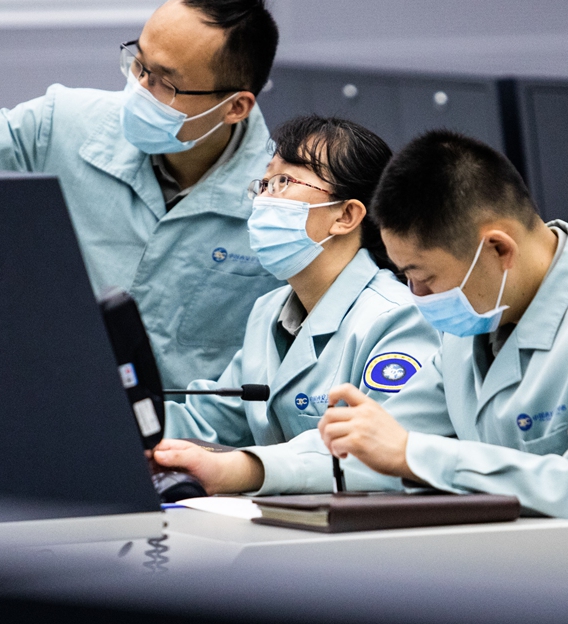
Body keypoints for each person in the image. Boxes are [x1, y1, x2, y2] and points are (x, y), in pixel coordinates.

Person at [160, 130, 568, 589]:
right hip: (550, 592)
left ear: (497, 249)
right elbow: (377, 442)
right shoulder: (478, 311)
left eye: (424, 277)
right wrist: (240, 469)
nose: (416, 296)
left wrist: (413, 453)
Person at [0, 0, 282, 389]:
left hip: (194, 437)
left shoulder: (286, 207)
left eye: (165, 83)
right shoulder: (64, 124)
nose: (139, 89)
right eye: (139, 64)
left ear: (236, 106)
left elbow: (295, 364)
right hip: (57, 406)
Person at [153, 117, 440, 489]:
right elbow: (211, 423)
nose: (263, 200)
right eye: (264, 184)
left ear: (346, 215)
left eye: (284, 182)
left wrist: (245, 469)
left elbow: (384, 452)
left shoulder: (399, 317)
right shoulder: (268, 312)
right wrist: (124, 424)